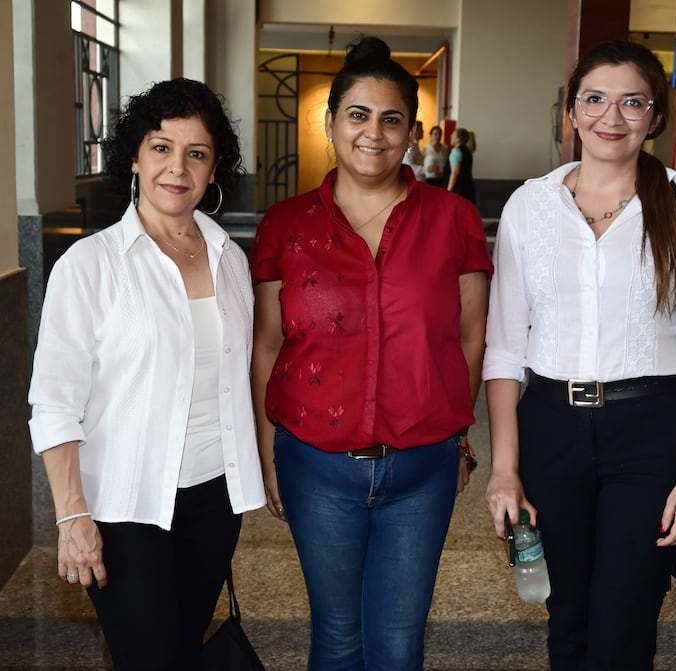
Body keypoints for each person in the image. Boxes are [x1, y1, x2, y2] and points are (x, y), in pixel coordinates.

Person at [483, 40, 676, 671]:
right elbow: (506, 347)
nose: (611, 117)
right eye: (594, 99)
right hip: (551, 427)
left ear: (655, 117)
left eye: (632, 103)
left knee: (624, 619)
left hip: (649, 432)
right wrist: (504, 469)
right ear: (570, 111)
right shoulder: (529, 207)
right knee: (565, 615)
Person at [250, 36, 492, 671]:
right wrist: (266, 453)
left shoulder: (453, 219)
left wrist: (460, 436)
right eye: (357, 115)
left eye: (392, 120)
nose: (373, 134)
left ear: (413, 132)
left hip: (422, 468)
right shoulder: (287, 224)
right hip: (315, 466)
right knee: (335, 636)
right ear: (330, 124)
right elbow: (267, 343)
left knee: (397, 643)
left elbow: (472, 335)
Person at [28, 78, 265, 671]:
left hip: (215, 501)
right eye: (161, 147)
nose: (176, 168)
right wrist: (71, 514)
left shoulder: (230, 259)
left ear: (214, 170)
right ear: (134, 156)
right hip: (124, 508)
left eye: (197, 153)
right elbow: (54, 403)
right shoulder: (90, 265)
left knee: (182, 652)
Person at [445, 127, 477, 203]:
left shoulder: (456, 151)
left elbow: (455, 173)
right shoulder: (468, 150)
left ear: (458, 139)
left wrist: (448, 191)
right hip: (468, 188)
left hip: (458, 190)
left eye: (453, 135)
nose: (451, 136)